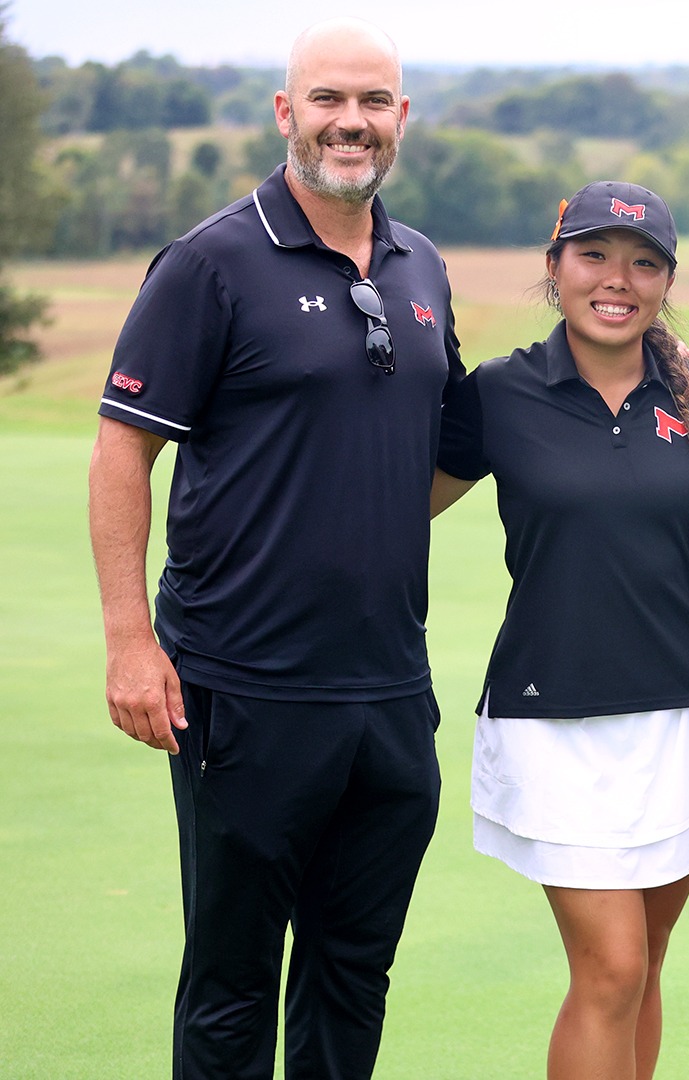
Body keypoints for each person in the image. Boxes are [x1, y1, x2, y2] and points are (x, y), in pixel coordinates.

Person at [87, 19, 458, 1080]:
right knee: (233, 981)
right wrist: (129, 642)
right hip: (241, 686)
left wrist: (646, 357)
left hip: (389, 692)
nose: (353, 122)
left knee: (353, 973)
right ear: (286, 114)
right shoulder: (211, 262)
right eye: (329, 101)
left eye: (375, 103)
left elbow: (448, 444)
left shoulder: (421, 264)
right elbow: (123, 454)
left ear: (401, 119)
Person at [428, 182, 689, 1080]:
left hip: (684, 709)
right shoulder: (498, 394)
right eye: (594, 255)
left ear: (666, 281)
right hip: (551, 709)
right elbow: (396, 512)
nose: (618, 279)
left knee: (644, 964)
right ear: (554, 266)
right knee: (611, 968)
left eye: (644, 263)